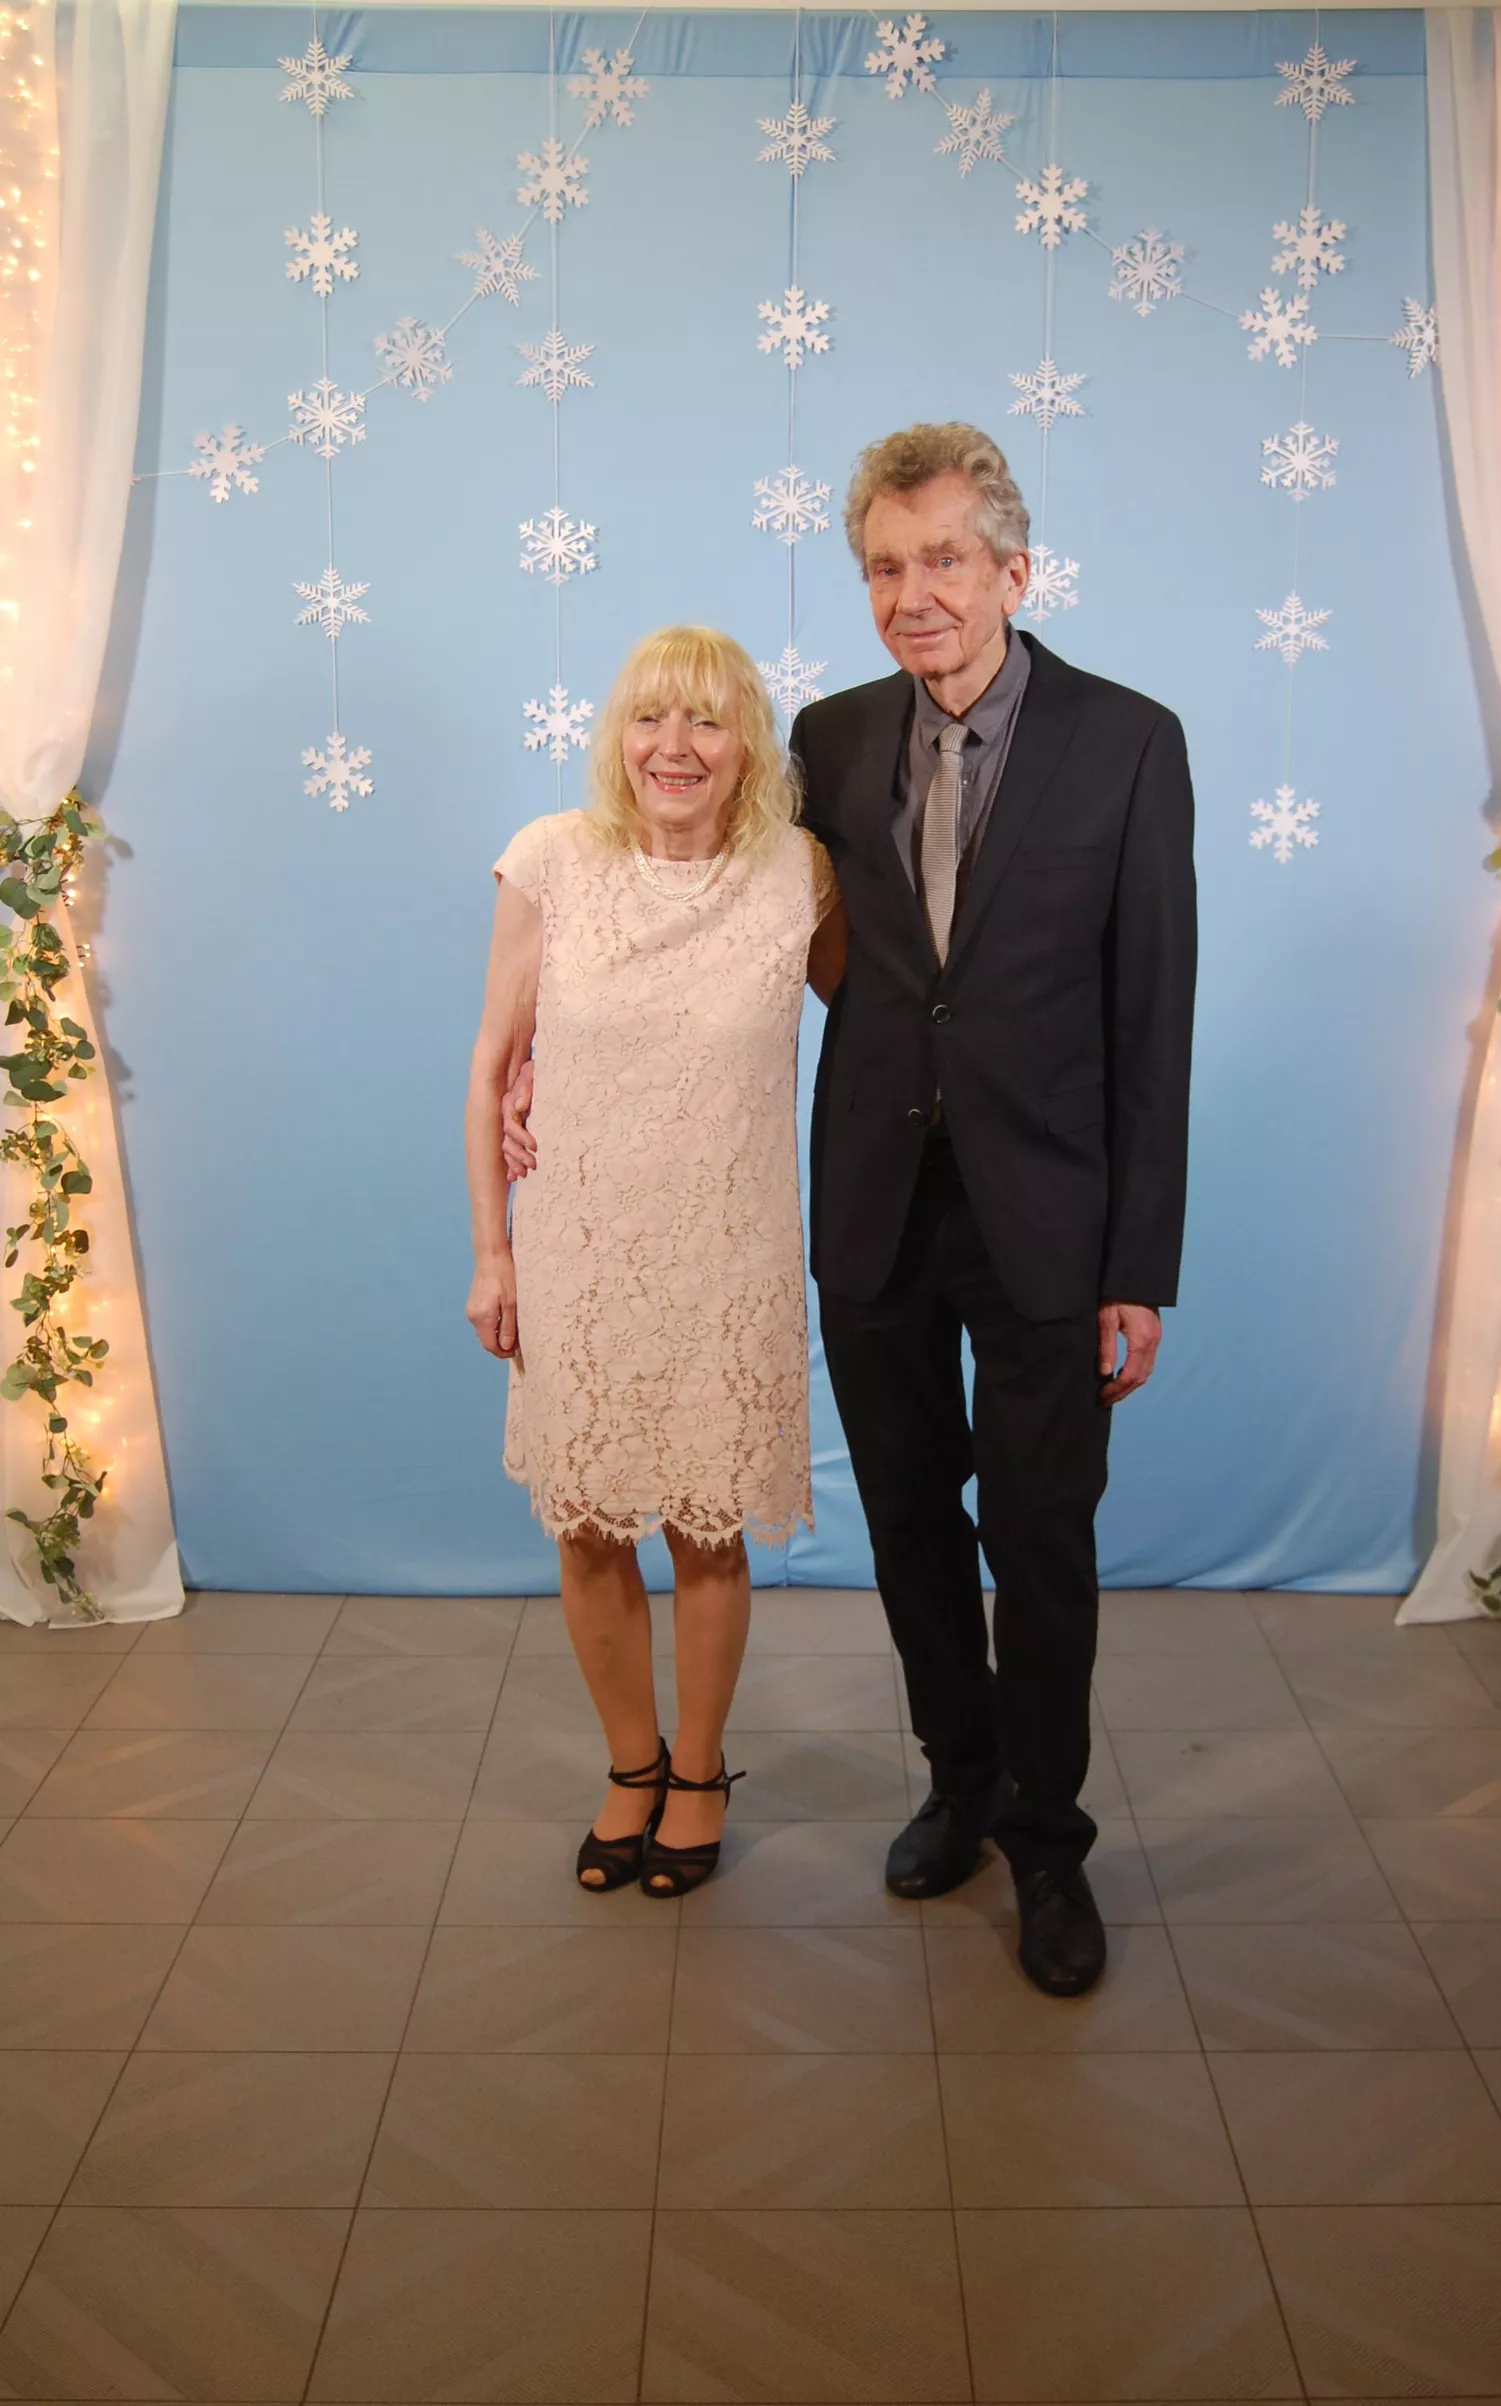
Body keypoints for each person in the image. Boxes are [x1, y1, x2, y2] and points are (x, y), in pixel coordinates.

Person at [791, 423, 1196, 1996]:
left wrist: (1137, 1263)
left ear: (1016, 570)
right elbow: (752, 929)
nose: (916, 594)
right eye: (886, 567)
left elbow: (1153, 1013)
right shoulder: (827, 738)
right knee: (906, 1516)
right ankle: (957, 1780)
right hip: (874, 1203)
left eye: (946, 559)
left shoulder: (1129, 741)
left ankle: (1046, 1836)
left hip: (1050, 1217)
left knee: (1039, 1535)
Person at [467, 625, 846, 1897]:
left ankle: (698, 1772)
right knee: (585, 1526)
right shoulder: (551, 860)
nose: (672, 747)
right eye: (648, 717)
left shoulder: (798, 874)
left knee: (707, 1530)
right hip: (577, 1250)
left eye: (705, 721)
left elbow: (888, 1024)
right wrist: (492, 1253)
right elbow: (488, 1070)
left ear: (749, 748)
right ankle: (630, 1766)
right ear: (615, 737)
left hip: (728, 1254)